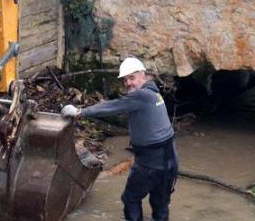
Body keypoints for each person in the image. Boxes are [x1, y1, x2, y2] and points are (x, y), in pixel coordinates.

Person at [61, 57, 178, 221]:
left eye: (132, 77)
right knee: (160, 204)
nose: (128, 83)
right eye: (125, 79)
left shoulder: (141, 96)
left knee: (130, 198)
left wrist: (79, 112)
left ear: (143, 76)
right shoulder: (154, 94)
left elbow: (111, 107)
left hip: (150, 163)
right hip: (170, 161)